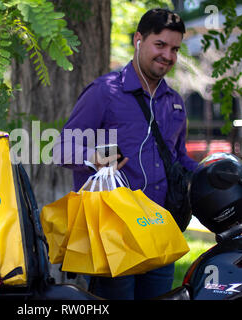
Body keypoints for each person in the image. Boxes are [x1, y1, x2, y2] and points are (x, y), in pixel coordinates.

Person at [52, 8, 198, 300]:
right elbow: (60, 148)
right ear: (138, 40)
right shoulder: (104, 92)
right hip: (113, 236)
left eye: (174, 49)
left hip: (160, 231)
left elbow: (179, 159)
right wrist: (93, 156)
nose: (168, 56)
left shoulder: (174, 102)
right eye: (160, 45)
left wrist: (215, 172)